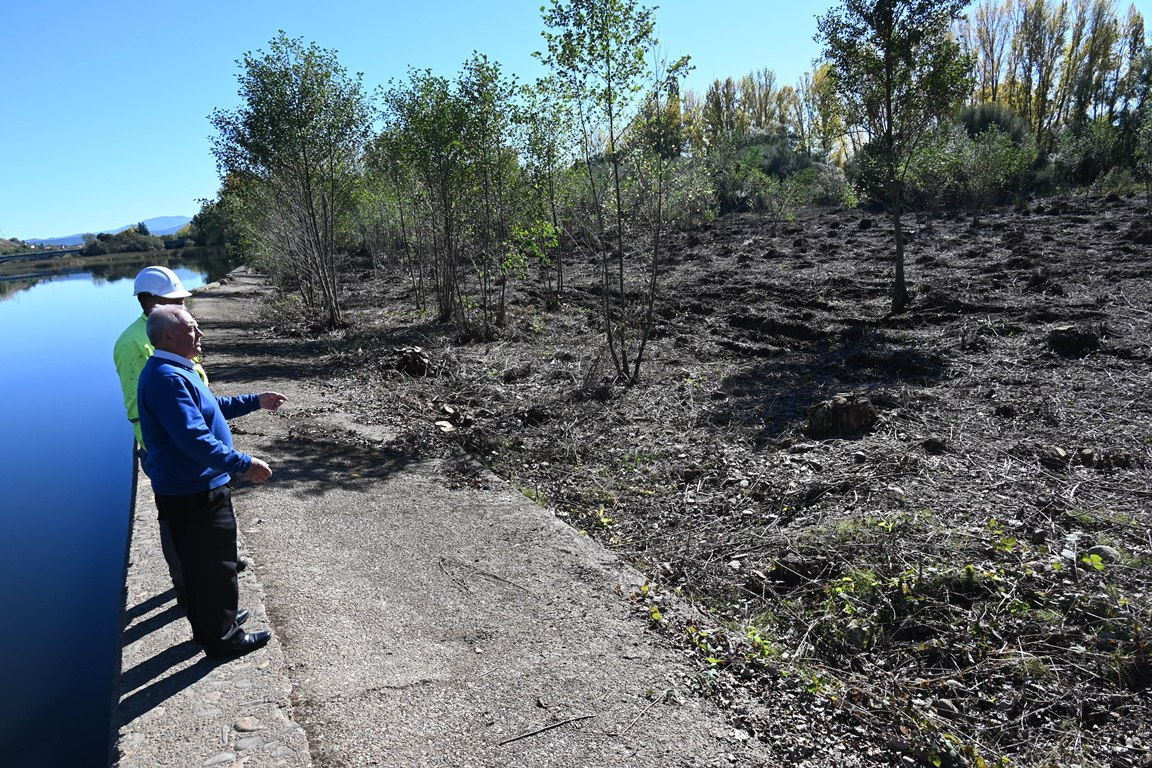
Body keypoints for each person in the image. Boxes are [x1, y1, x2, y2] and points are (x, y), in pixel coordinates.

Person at [137, 304, 287, 657]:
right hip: (194, 491)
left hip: (191, 488)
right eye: (192, 328)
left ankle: (216, 622)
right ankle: (224, 639)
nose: (200, 333)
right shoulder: (167, 378)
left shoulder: (173, 369)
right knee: (212, 567)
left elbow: (210, 408)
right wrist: (244, 463)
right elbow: (195, 440)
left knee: (205, 564)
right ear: (168, 336)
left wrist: (255, 401)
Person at [113, 266, 248, 606]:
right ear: (151, 300)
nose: (185, 305)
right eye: (175, 299)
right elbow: (138, 406)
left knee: (209, 520)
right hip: (171, 450)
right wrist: (163, 450)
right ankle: (188, 586)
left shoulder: (168, 331)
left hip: (189, 443)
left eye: (183, 300)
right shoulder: (134, 342)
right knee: (177, 524)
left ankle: (218, 568)